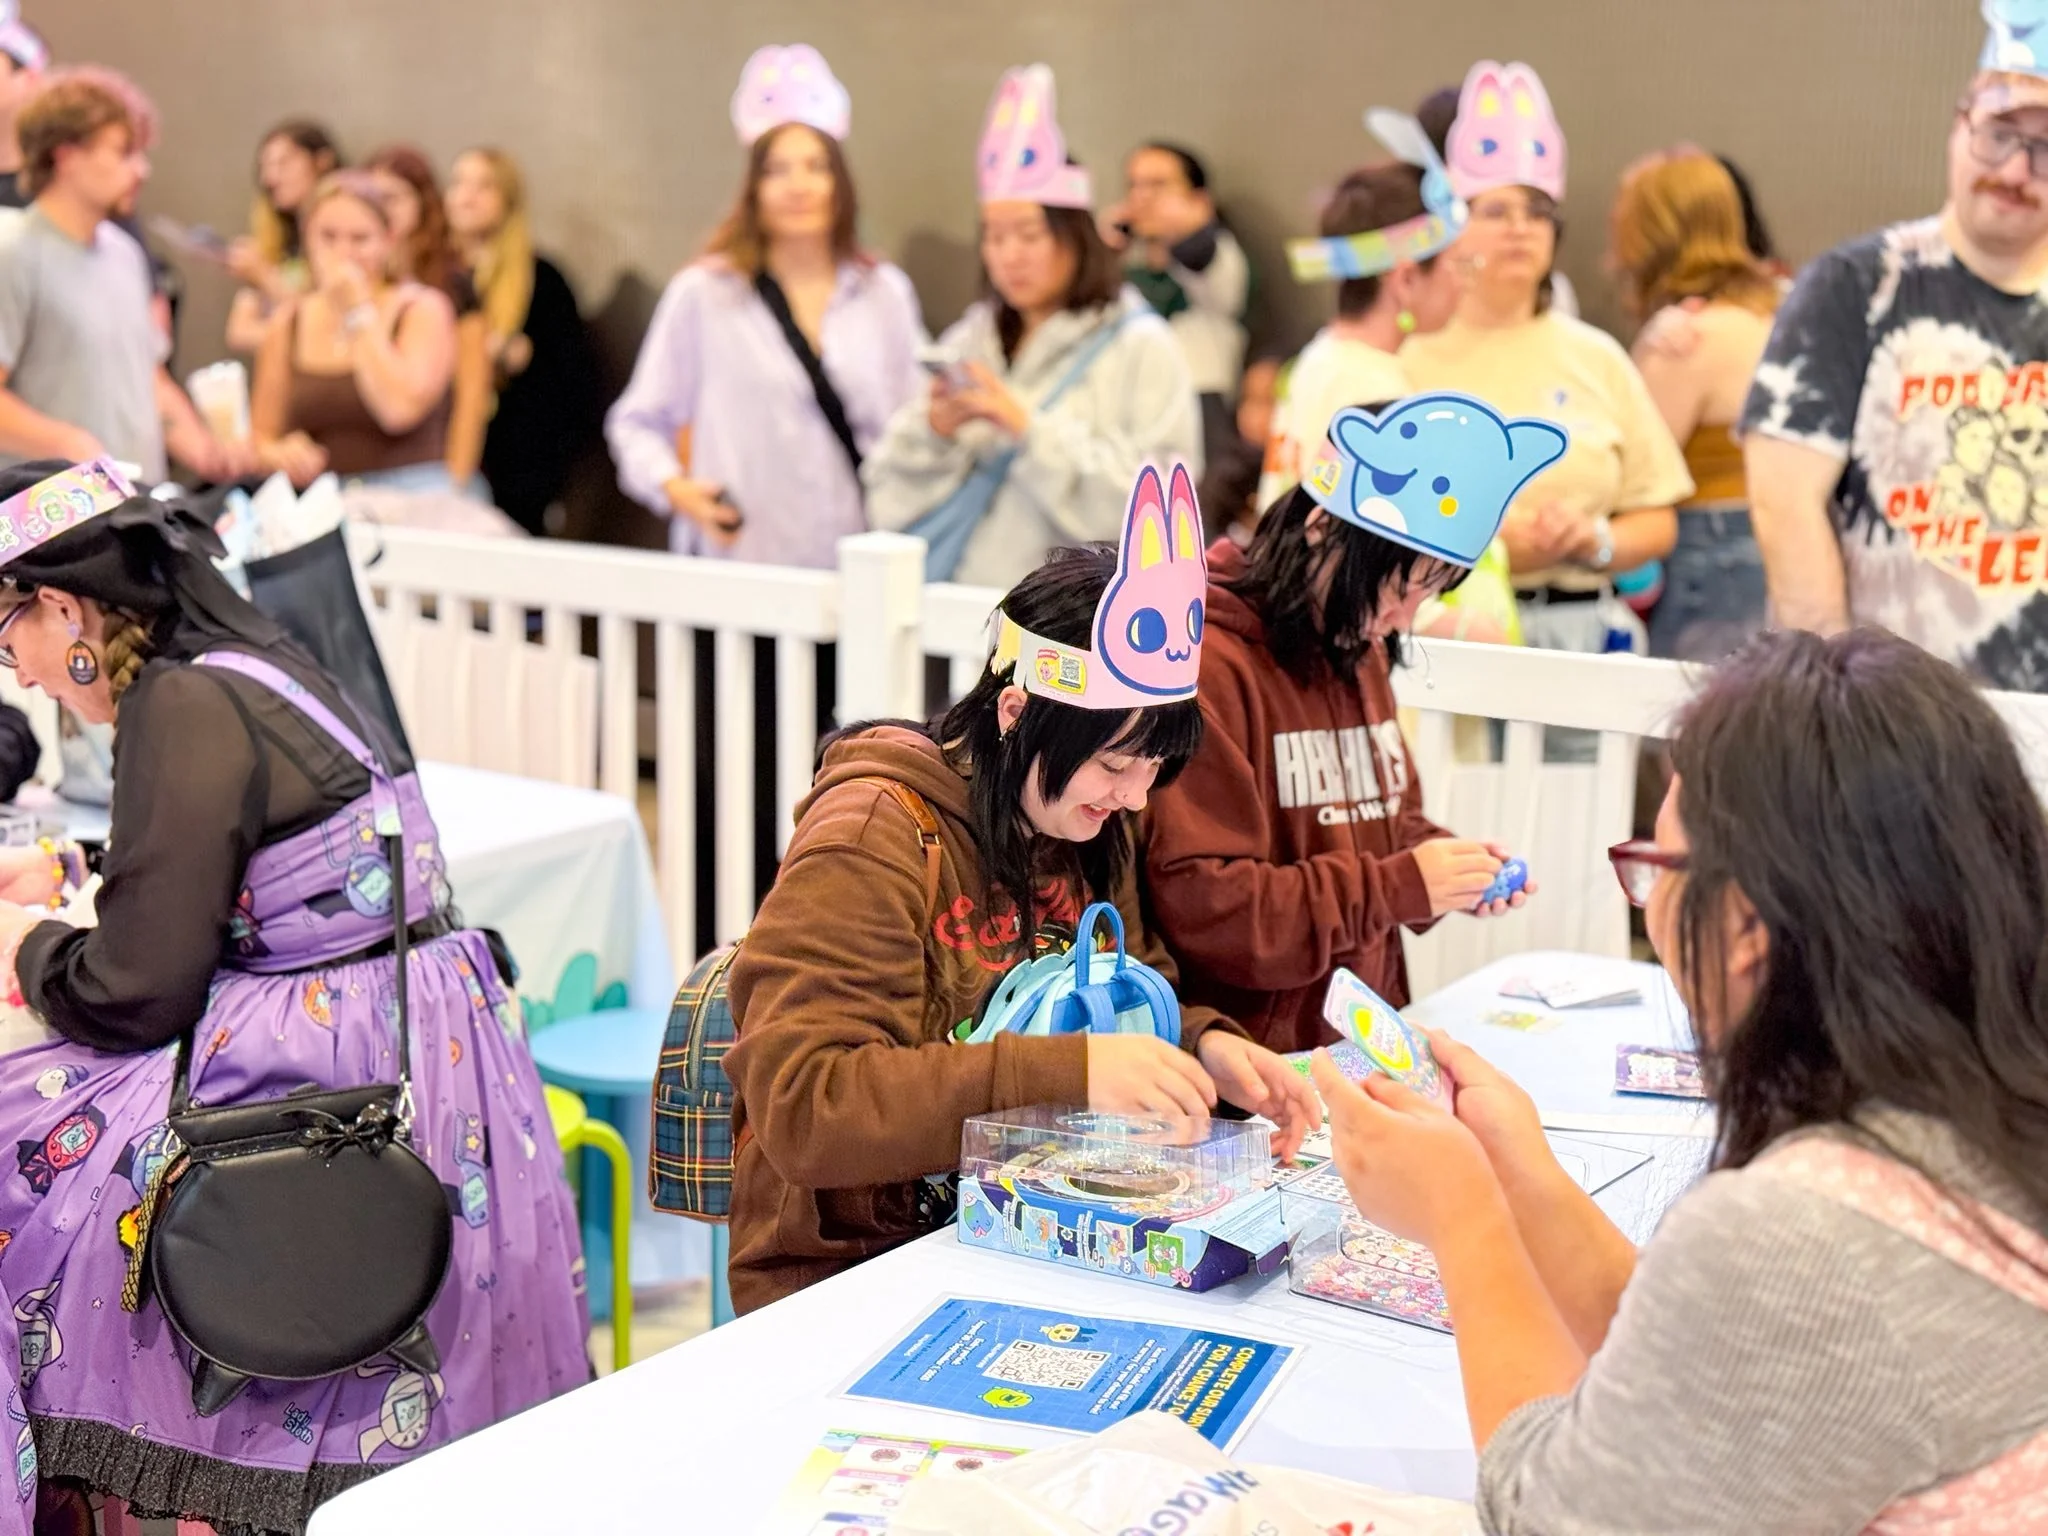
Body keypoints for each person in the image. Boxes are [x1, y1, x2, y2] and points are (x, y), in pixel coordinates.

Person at [1313, 628, 2048, 1533]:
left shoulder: (1801, 1235)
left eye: (1654, 868)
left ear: (1744, 925)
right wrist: (1515, 1173)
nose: (1649, 902)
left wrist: (1463, 1225)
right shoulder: (1985, 1116)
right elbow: (1708, 1372)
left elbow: (1558, 1515)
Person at [0, 459, 589, 1534]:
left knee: (22, 1148)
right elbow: (275, 854)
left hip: (337, 1067)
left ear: (63, 608)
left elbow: (135, 990)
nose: (27, 678)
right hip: (436, 1045)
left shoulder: (179, 703)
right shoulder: (252, 662)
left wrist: (32, 945)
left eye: (12, 645)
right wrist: (88, 863)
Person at [724, 462, 1316, 1313]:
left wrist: (1208, 1048)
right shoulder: (872, 839)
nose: (1135, 798)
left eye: (1154, 768)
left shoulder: (1085, 823)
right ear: (1014, 715)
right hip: (851, 1273)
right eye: (1115, 762)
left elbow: (1111, 992)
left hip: (1024, 1235)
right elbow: (807, 1106)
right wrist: (1067, 1073)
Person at [1147, 392, 1557, 1053]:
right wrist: (1400, 884)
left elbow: (1384, 822)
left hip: (1358, 1044)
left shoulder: (1353, 643)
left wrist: (1451, 870)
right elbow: (1210, 911)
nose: (1407, 618)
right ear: (1320, 532)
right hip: (1250, 1068)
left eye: (1434, 591)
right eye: (1401, 587)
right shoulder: (1207, 664)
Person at [1741, 1, 2048, 688]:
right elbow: (1785, 505)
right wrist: (1844, 700)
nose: (2019, 170)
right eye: (2000, 134)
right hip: (1890, 725)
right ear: (1959, 126)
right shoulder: (1856, 286)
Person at [866, 64, 1199, 589]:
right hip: (952, 614)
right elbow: (884, 493)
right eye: (994, 237)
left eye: (1027, 234)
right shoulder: (972, 337)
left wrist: (1026, 429)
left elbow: (1159, 514)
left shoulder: (1142, 345)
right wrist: (935, 434)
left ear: (1074, 235)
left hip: (1068, 635)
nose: (1009, 256)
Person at [1402, 60, 1690, 660]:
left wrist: (1594, 540)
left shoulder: (1595, 354)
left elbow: (1657, 516)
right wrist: (1488, 545)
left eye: (1536, 213)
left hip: (1581, 635)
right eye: (1496, 211)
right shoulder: (1408, 359)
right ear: (1451, 228)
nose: (1520, 230)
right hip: (1448, 639)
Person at [607, 44, 924, 567]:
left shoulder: (883, 293)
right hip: (742, 575)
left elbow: (914, 431)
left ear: (839, 182)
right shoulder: (705, 295)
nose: (798, 186)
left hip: (858, 577)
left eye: (815, 167)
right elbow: (636, 423)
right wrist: (675, 488)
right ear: (753, 186)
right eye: (777, 169)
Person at [0, 68, 240, 484]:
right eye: (124, 152)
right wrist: (65, 441)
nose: (142, 170)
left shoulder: (125, 253)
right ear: (66, 155)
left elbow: (148, 377)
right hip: (60, 525)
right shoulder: (14, 250)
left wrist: (205, 447)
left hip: (135, 512)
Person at [1610, 149, 1780, 662]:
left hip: (1707, 572)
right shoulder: (1778, 313)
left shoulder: (1684, 342)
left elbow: (1629, 474)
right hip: (1771, 558)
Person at [1257, 111, 1468, 511]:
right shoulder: (1373, 393)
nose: (1463, 281)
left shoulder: (1325, 357)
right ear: (1405, 279)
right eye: (1455, 264)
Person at [249, 171, 460, 492]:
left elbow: (398, 409)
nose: (344, 253)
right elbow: (261, 435)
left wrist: (360, 314)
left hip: (408, 497)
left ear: (388, 240)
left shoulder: (423, 309)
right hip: (318, 498)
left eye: (360, 239)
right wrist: (280, 453)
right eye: (328, 237)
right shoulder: (289, 321)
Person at [447, 146, 601, 535]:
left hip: (514, 461)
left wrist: (522, 358)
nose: (468, 196)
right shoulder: (432, 277)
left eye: (484, 186)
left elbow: (573, 382)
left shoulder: (542, 281)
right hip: (439, 449)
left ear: (507, 200)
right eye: (459, 183)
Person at [1102, 142, 1249, 461]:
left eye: (1158, 185)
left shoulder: (1215, 254)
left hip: (1200, 413)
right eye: (1134, 185)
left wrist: (1189, 226)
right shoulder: (1124, 264)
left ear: (1200, 200)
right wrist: (1096, 256)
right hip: (1127, 419)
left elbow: (1204, 263)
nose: (1142, 197)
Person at [365, 143, 492, 497]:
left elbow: (472, 391)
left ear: (422, 204)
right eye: (372, 198)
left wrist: (456, 479)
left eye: (393, 198)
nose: (382, 209)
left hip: (428, 474)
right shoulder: (352, 287)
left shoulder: (451, 285)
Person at [225, 120, 342, 357]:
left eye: (284, 163)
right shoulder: (275, 232)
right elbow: (238, 332)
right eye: (265, 167)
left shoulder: (345, 234)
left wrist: (264, 276)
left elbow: (331, 328)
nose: (271, 178)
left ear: (322, 161)